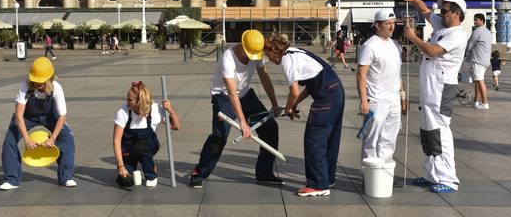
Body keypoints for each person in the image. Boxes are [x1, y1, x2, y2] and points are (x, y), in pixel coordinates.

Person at [189, 29, 281, 189]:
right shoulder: (228, 58)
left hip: (245, 94)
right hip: (223, 96)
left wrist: (274, 103)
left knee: (270, 128)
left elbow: (264, 77)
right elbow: (232, 93)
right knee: (220, 136)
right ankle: (199, 172)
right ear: (243, 45)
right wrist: (244, 124)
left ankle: (264, 172)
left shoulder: (257, 53)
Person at [264, 34, 345, 197]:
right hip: (336, 92)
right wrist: (294, 105)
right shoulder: (297, 52)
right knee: (329, 139)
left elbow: (294, 91)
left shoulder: (287, 61)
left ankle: (317, 184)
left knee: (314, 140)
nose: (269, 60)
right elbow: (310, 85)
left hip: (326, 98)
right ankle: (327, 179)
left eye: (267, 55)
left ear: (274, 51)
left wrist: (288, 108)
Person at [403, 0, 467, 193]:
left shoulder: (457, 34)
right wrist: (415, 0)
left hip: (441, 86)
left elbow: (432, 51)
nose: (441, 13)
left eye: (445, 10)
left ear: (456, 14)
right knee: (428, 129)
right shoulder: (443, 25)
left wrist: (413, 37)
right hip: (431, 85)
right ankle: (431, 174)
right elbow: (426, 11)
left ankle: (448, 178)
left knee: (439, 130)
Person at [0, 57, 76, 190]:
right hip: (26, 116)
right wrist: (27, 139)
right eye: (34, 81)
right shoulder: (25, 86)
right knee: (9, 141)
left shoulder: (56, 88)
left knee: (67, 137)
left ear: (49, 78)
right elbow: (18, 115)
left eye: (40, 82)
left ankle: (66, 177)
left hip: (50, 116)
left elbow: (62, 115)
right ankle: (11, 179)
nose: (37, 84)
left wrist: (53, 138)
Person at [357, 9, 407, 161]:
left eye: (393, 24)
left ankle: (384, 172)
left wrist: (402, 97)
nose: (392, 27)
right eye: (387, 24)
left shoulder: (395, 45)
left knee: (390, 138)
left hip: (393, 99)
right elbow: (361, 74)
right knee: (371, 139)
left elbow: (397, 74)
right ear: (378, 25)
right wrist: (364, 100)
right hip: (376, 99)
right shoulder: (369, 46)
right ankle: (369, 175)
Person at [113, 81, 181, 188]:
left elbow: (176, 126)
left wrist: (170, 111)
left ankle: (151, 175)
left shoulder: (155, 110)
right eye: (127, 97)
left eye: (130, 99)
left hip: (148, 145)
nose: (127, 101)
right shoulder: (123, 111)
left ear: (140, 102)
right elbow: (117, 141)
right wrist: (120, 166)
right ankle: (144, 164)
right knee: (124, 180)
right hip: (128, 148)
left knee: (141, 148)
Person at [465, 13, 492, 110]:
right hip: (485, 60)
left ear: (482, 20)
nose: (474, 21)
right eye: (474, 19)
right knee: (477, 81)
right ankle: (476, 101)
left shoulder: (477, 31)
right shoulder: (488, 32)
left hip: (478, 60)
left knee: (480, 81)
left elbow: (469, 44)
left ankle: (485, 103)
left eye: (476, 20)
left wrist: (465, 53)